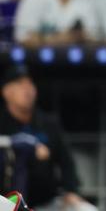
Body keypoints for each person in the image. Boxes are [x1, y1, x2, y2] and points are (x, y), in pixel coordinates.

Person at [0, 65, 97, 210]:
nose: (27, 89)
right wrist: (28, 147)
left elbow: (66, 162)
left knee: (85, 209)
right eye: (20, 84)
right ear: (7, 92)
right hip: (7, 202)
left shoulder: (48, 123)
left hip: (45, 201)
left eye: (30, 84)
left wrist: (71, 191)